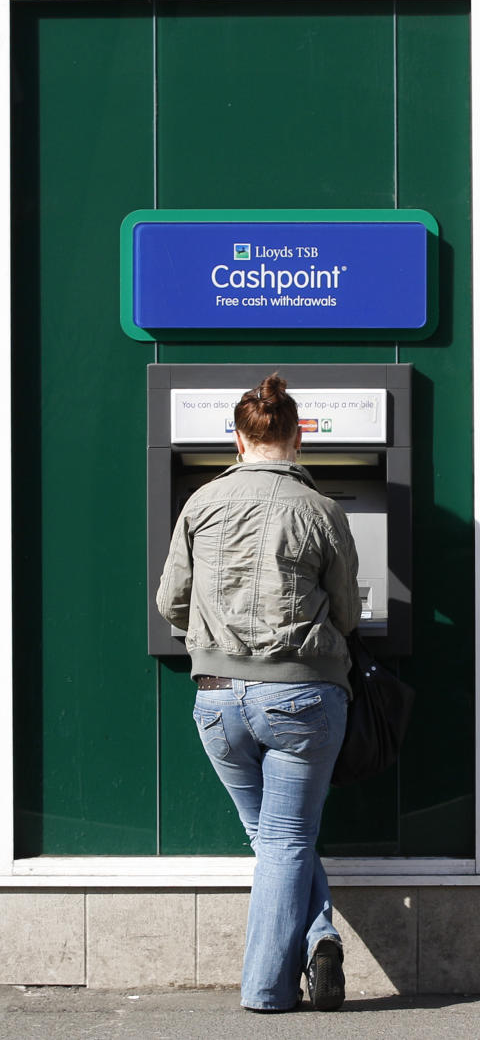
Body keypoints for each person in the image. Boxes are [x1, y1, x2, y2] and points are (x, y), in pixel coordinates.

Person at [156, 372, 361, 1013]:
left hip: (217, 699)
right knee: (287, 840)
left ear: (237, 438)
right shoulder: (322, 510)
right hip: (301, 698)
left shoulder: (200, 503)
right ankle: (275, 983)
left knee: (273, 839)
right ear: (299, 436)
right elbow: (349, 614)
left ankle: (312, 945)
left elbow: (170, 603)